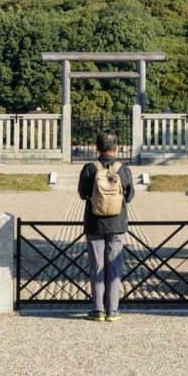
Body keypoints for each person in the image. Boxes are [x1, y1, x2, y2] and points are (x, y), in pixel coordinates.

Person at [76, 129, 135, 321]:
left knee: (96, 265)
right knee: (114, 266)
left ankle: (98, 309)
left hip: (94, 222)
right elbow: (130, 195)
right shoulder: (123, 169)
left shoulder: (90, 168)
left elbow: (83, 193)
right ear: (116, 148)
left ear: (97, 147)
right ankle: (113, 309)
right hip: (117, 223)